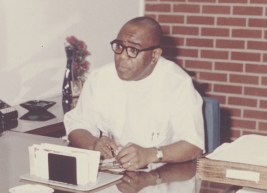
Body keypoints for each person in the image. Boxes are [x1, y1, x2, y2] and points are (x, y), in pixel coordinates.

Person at [64, 16, 205, 170]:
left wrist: (150, 154)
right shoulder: (101, 77)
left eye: (133, 50)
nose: (122, 56)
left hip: (161, 173)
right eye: (119, 46)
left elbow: (193, 145)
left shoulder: (177, 83)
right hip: (114, 171)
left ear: (154, 55)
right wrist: (93, 143)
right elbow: (77, 122)